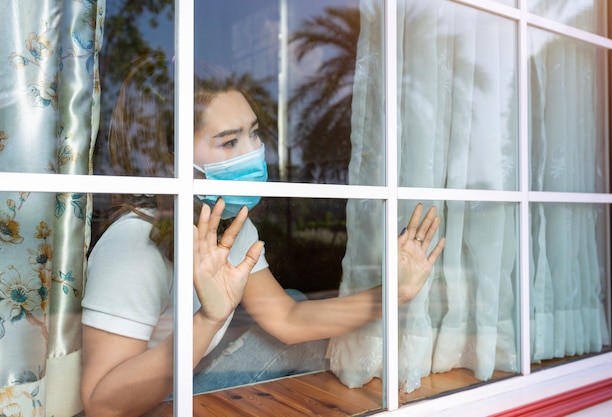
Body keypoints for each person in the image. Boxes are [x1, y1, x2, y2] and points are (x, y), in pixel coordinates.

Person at [80, 54, 446, 417]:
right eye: (229, 142)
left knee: (293, 300)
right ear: (169, 159)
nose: (254, 151)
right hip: (151, 405)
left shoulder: (228, 223)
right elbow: (103, 405)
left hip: (188, 382)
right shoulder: (133, 244)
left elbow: (286, 318)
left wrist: (392, 294)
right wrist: (207, 320)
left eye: (253, 133)